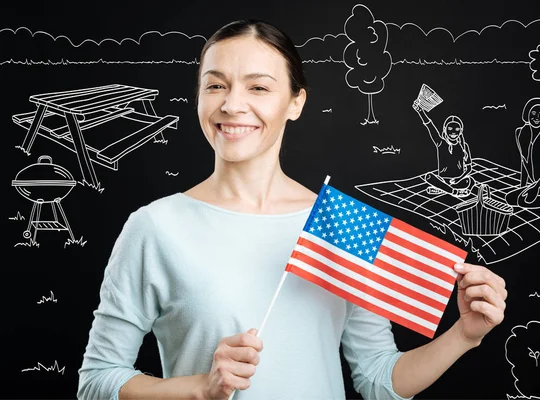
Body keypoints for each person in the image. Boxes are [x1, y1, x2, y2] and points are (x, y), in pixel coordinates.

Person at [77, 19, 508, 400]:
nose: (231, 104)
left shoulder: (343, 224)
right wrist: (198, 388)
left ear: (295, 102)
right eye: (215, 85)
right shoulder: (154, 227)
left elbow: (377, 379)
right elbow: (96, 381)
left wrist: (464, 337)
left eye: (259, 87)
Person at [413, 102, 476, 198]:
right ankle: (453, 192)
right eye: (450, 128)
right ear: (445, 129)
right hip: (442, 179)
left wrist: (458, 179)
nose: (453, 132)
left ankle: (442, 189)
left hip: (458, 180)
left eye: (457, 129)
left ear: (461, 131)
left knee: (470, 181)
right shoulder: (440, 143)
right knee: (429, 177)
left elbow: (469, 168)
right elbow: (429, 125)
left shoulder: (464, 146)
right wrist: (420, 111)